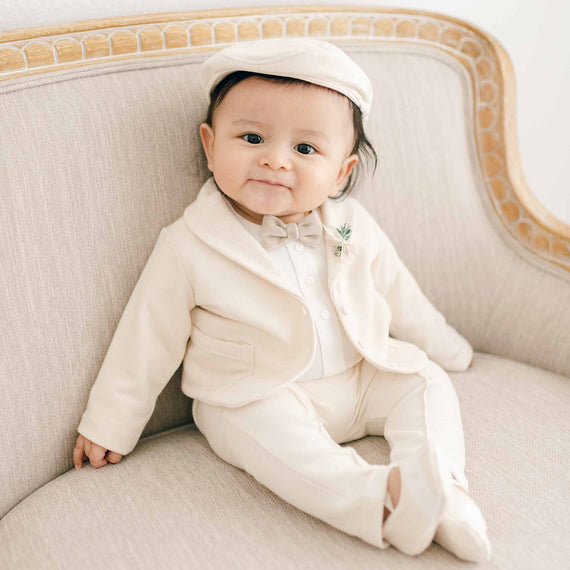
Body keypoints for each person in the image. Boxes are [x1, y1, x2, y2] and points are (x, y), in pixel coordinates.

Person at [73, 38, 491, 562]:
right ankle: (381, 503)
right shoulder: (189, 243)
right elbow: (147, 334)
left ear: (342, 171)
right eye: (252, 137)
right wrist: (110, 422)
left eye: (305, 149)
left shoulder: (352, 226)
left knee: (425, 380)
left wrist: (447, 347)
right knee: (269, 437)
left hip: (362, 374)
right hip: (258, 391)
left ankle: (444, 491)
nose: (275, 161)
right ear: (209, 144)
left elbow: (399, 293)